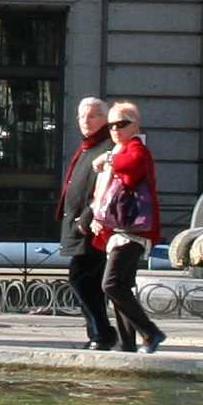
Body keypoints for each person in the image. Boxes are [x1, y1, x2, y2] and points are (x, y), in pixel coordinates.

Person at [92, 101, 165, 353]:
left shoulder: (135, 148)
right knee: (121, 286)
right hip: (122, 231)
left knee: (110, 284)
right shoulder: (121, 148)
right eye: (110, 125)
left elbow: (132, 168)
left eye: (120, 124)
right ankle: (126, 344)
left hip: (132, 232)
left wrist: (108, 158)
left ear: (134, 125)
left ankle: (150, 332)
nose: (114, 129)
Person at [56, 96, 116, 350]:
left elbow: (106, 188)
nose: (86, 121)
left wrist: (87, 219)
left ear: (105, 119)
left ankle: (103, 333)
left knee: (82, 280)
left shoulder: (107, 147)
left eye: (92, 116)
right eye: (82, 116)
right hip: (77, 225)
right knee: (86, 282)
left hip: (91, 227)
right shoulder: (87, 147)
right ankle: (97, 333)